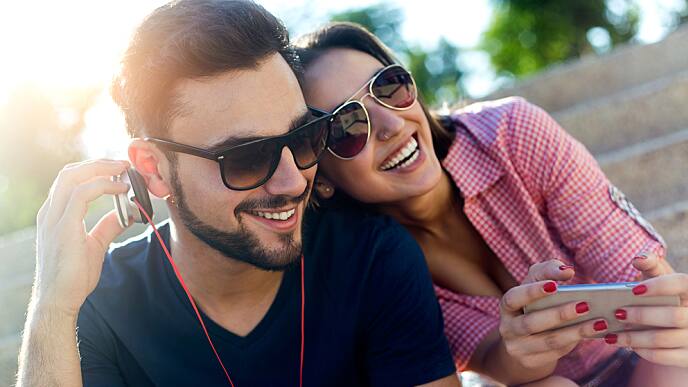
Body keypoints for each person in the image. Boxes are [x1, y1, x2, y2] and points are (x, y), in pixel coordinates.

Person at [15, 2, 460, 386]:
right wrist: (52, 310)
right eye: (247, 158)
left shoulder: (371, 257)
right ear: (154, 170)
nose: (292, 181)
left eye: (304, 137)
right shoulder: (97, 308)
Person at [295, 22, 688, 387]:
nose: (393, 124)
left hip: (648, 359)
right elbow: (488, 357)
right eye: (348, 126)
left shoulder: (511, 133)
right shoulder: (375, 264)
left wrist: (666, 313)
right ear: (322, 178)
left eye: (389, 87)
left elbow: (644, 286)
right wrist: (522, 345)